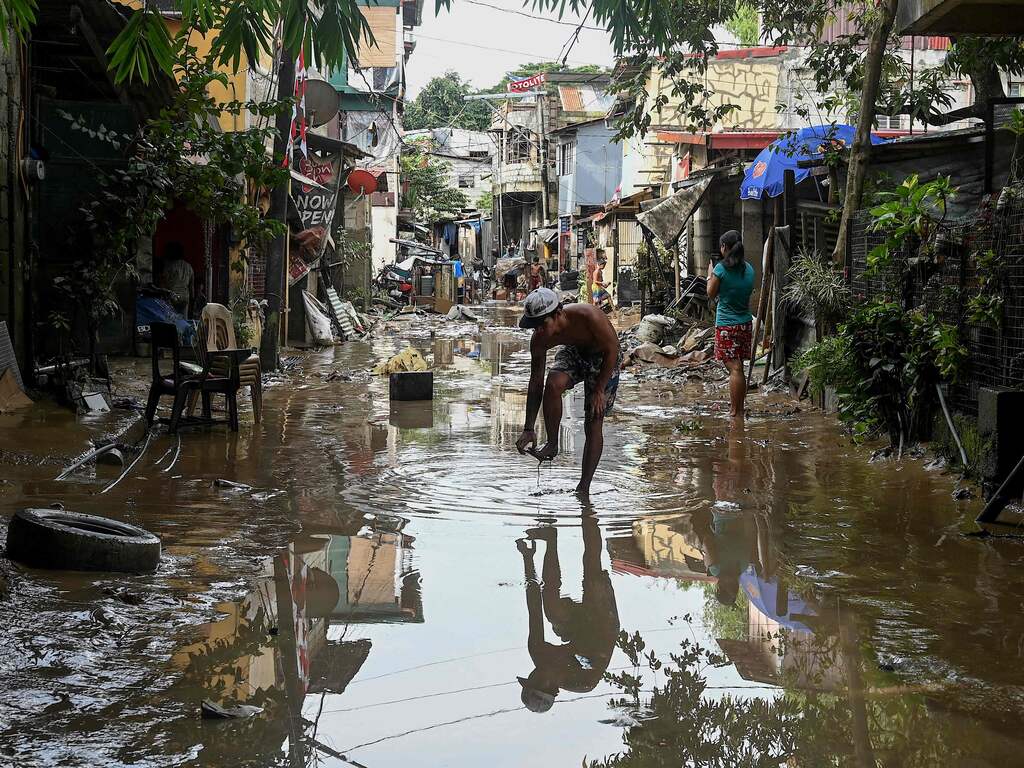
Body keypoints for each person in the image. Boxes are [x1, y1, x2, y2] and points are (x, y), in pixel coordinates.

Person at [515, 287, 622, 495]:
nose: (538, 331)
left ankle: (583, 488)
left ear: (557, 314)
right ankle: (553, 444)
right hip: (574, 351)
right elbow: (536, 382)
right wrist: (528, 427)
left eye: (541, 325)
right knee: (553, 383)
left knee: (594, 419)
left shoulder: (589, 316)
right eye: (534, 327)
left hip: (604, 358)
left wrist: (599, 389)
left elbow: (613, 349)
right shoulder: (539, 338)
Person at [515, 517, 619, 713]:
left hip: (577, 630)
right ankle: (589, 514)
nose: (534, 672)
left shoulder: (538, 652)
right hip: (603, 626)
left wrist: (528, 559)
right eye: (535, 679)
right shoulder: (584, 680)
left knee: (553, 611)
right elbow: (597, 645)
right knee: (592, 573)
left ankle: (550, 539)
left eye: (531, 677)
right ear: (550, 685)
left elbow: (534, 607)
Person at [706, 230, 754, 418]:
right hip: (745, 324)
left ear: (725, 247)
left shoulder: (721, 269)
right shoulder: (749, 269)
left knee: (735, 368)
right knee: (738, 367)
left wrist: (710, 275)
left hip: (727, 325)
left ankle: (735, 412)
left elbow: (710, 294)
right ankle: (739, 409)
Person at [157, 241, 194, 317]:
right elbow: (191, 287)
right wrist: (192, 298)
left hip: (172, 296)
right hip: (185, 298)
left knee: (171, 320)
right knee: (183, 320)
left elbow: (163, 284)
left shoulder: (169, 266)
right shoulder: (189, 266)